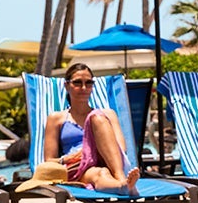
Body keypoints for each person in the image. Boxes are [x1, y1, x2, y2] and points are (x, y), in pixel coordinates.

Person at [42, 62, 140, 194]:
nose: (84, 87)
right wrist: (71, 157)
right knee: (99, 173)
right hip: (78, 166)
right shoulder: (56, 118)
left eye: (89, 83)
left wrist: (94, 150)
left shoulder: (107, 115)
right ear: (66, 86)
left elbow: (121, 148)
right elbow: (48, 160)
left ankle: (122, 181)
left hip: (107, 161)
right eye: (77, 83)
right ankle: (123, 185)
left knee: (97, 118)